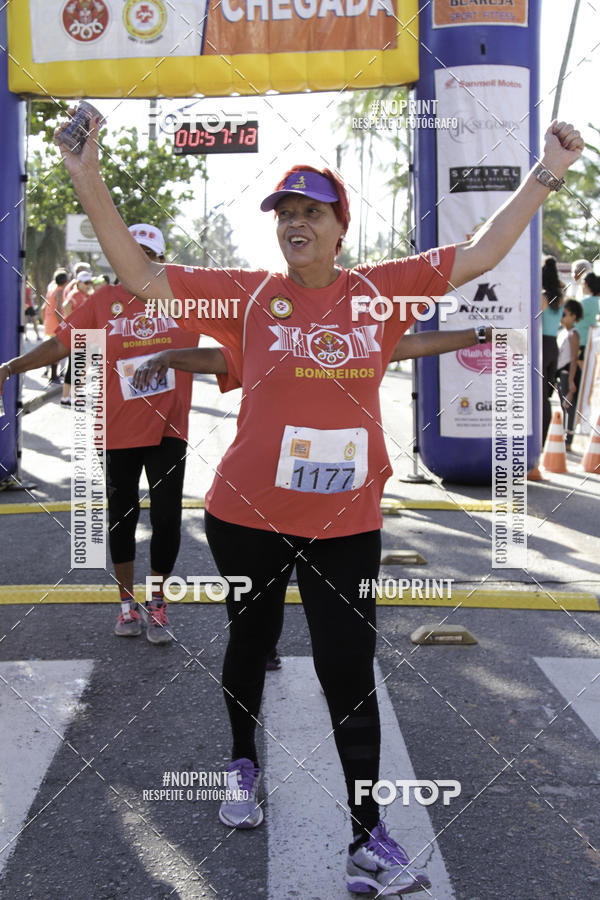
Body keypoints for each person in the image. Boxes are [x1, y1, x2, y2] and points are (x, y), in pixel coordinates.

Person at [57, 113, 583, 896]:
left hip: (346, 522)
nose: (296, 223)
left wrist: (546, 170)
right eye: (285, 213)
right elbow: (139, 273)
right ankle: (242, 763)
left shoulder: (380, 294)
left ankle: (368, 840)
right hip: (247, 516)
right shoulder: (246, 297)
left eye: (312, 211)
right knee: (251, 640)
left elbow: (482, 252)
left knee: (349, 670)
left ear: (340, 227)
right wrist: (84, 171)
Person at [0, 225, 203, 646]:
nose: (137, 259)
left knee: (166, 519)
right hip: (115, 430)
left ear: (161, 260)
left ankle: (159, 603)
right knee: (122, 518)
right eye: (130, 250)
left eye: (147, 253)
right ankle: (127, 603)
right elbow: (59, 346)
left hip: (169, 427)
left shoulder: (184, 299)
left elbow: (237, 329)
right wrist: (10, 368)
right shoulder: (102, 302)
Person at [60, 269, 96, 406]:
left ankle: (74, 396)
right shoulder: (75, 294)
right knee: (74, 368)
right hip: (78, 337)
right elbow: (66, 305)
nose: (89, 285)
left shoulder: (86, 295)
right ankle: (65, 397)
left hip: (86, 337)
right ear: (79, 283)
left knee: (81, 368)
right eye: (86, 282)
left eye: (90, 282)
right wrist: (71, 325)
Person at [540, 256, 564, 446]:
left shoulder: (542, 297)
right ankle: (543, 439)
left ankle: (538, 441)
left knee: (539, 396)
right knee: (546, 395)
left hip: (541, 345)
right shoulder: (560, 297)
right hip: (553, 346)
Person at [555, 299, 583, 445]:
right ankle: (565, 435)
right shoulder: (562, 332)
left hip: (569, 374)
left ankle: (569, 438)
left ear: (573, 315)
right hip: (562, 374)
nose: (562, 317)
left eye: (564, 314)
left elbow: (573, 359)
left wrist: (572, 381)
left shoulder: (573, 334)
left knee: (569, 408)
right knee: (564, 406)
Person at [43, 268, 68, 382]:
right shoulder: (59, 291)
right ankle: (53, 376)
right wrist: (63, 325)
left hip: (49, 322)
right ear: (65, 281)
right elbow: (58, 311)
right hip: (56, 324)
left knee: (53, 349)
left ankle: (51, 374)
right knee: (57, 350)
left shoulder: (51, 289)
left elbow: (44, 308)